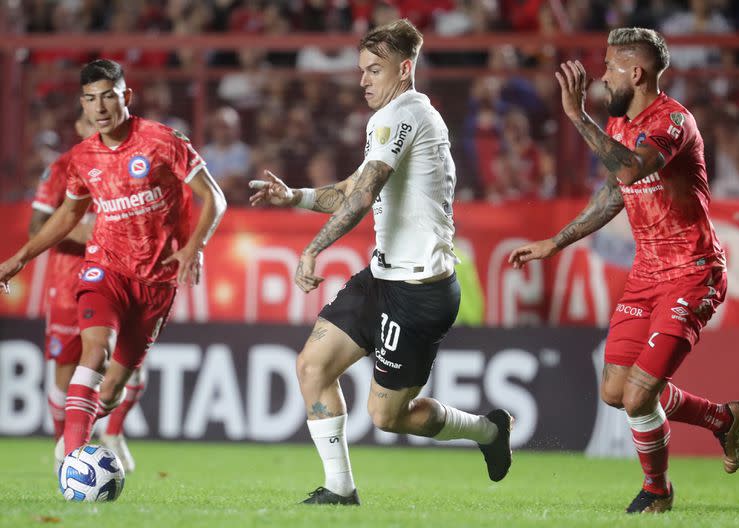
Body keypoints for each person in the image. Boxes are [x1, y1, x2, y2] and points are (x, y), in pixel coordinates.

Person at [249, 19, 513, 506]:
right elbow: (353, 188)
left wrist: (312, 248)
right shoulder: (395, 117)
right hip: (383, 277)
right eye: (361, 70)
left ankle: (488, 431)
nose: (364, 80)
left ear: (405, 68)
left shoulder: (402, 115)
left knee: (389, 416)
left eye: (374, 69)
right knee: (312, 366)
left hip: (420, 291)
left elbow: (364, 193)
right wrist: (296, 197)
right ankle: (340, 489)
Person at [508, 28, 739, 514]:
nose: (601, 76)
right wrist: (556, 242)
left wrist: (577, 117)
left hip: (693, 271)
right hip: (646, 274)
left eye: (609, 67)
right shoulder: (619, 125)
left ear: (635, 72)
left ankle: (657, 492)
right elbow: (615, 193)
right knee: (616, 391)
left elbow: (630, 170)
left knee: (642, 395)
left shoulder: (673, 122)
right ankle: (723, 419)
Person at [0, 59, 227, 466]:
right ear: (82, 106)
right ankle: (72, 457)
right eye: (90, 99)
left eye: (108, 96)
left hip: (157, 281)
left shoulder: (163, 141)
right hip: (104, 268)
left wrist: (195, 246)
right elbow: (67, 216)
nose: (100, 107)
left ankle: (83, 433)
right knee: (95, 352)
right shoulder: (81, 157)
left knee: (112, 389)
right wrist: (20, 257)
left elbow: (215, 197)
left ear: (127, 97)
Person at [30, 111, 145, 473]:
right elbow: (37, 225)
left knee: (130, 369)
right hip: (69, 283)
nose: (98, 124)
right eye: (88, 120)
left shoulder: (129, 165)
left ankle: (111, 432)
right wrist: (96, 234)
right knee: (65, 376)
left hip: (117, 278)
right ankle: (63, 451)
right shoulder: (64, 166)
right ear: (78, 127)